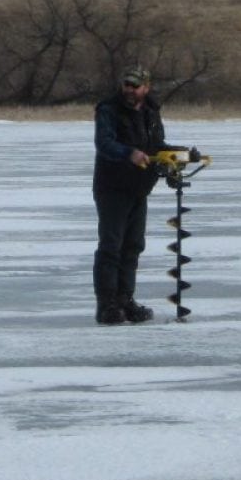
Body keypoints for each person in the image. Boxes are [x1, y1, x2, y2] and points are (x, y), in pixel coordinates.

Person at [91, 65, 174, 325]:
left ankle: (125, 300)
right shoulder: (108, 109)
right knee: (111, 246)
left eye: (135, 86)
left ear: (146, 87)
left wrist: (177, 156)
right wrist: (129, 153)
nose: (129, 89)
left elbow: (156, 145)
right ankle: (107, 305)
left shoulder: (151, 111)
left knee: (133, 246)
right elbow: (104, 143)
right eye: (126, 84)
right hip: (112, 187)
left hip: (140, 187)